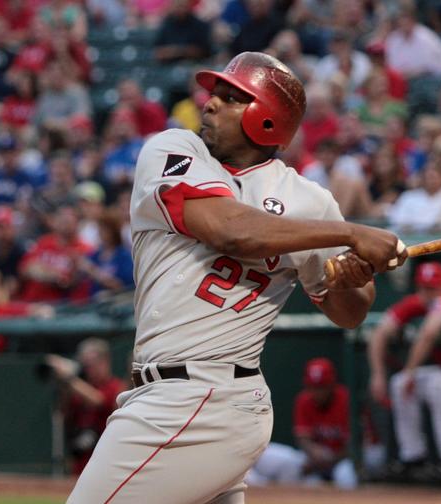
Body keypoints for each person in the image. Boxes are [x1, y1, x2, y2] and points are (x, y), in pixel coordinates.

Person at [66, 52, 405, 503]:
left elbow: (350, 312)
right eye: (215, 94)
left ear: (267, 119)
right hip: (170, 397)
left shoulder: (309, 202)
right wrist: (350, 233)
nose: (210, 104)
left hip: (206, 400)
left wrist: (348, 280)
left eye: (231, 97)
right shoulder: (172, 150)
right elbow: (232, 231)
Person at [366, 262, 441, 477]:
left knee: (434, 385)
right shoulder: (417, 302)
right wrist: (377, 374)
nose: (428, 293)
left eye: (433, 288)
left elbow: (429, 333)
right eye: (424, 288)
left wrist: (410, 372)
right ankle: (413, 457)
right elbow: (379, 333)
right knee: (398, 383)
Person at [246, 358, 357, 489]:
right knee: (293, 468)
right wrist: (313, 453)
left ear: (331, 384)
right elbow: (303, 438)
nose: (317, 393)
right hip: (313, 460)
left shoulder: (346, 399)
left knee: (346, 475)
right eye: (313, 387)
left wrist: (331, 459)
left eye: (321, 387)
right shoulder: (304, 400)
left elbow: (354, 445)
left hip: (340, 460)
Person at [45, 338, 126, 475]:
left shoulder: (115, 386)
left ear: (104, 361)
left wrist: (68, 378)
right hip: (80, 459)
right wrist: (62, 385)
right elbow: (62, 414)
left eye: (91, 364)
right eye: (85, 365)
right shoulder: (77, 388)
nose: (88, 369)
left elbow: (98, 400)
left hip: (107, 461)